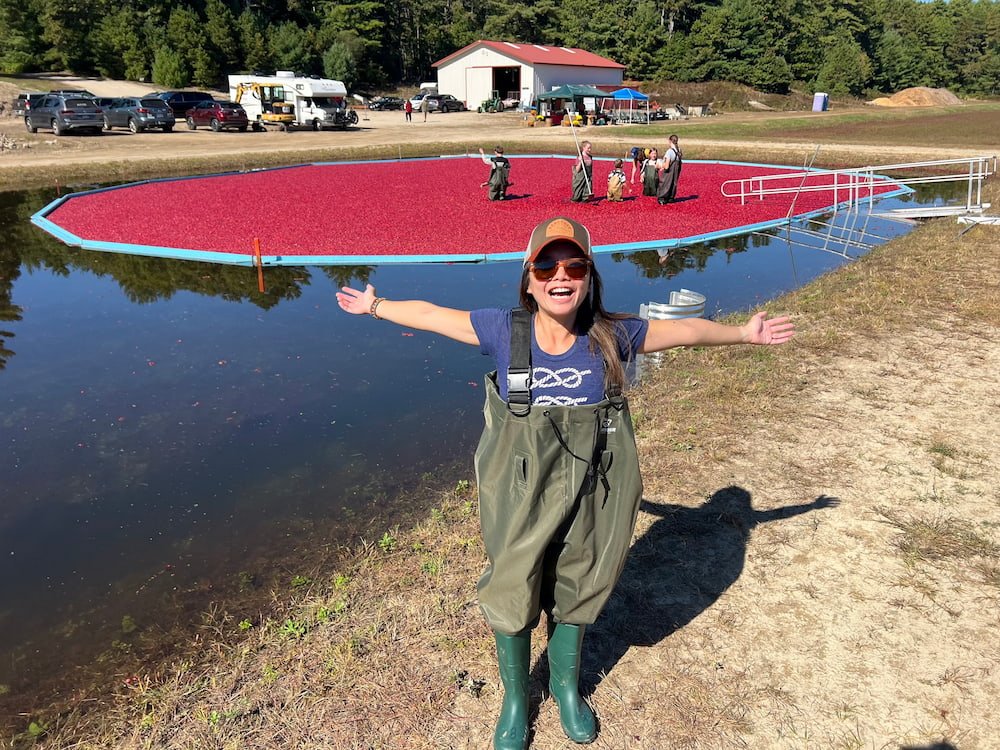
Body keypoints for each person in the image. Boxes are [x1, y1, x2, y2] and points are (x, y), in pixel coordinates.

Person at [335, 216, 795, 750]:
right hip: (517, 481)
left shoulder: (613, 335)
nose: (561, 276)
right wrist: (375, 306)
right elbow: (435, 315)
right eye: (547, 266)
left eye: (574, 266)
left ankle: (565, 686)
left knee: (584, 575)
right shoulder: (503, 330)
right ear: (528, 279)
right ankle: (515, 699)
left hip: (597, 477)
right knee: (513, 581)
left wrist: (743, 332)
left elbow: (688, 332)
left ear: (589, 277)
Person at [657, 134, 682, 205]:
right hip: (676, 170)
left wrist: (660, 165)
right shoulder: (679, 150)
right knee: (673, 183)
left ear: (670, 141)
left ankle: (662, 198)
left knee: (665, 183)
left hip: (669, 172)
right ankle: (671, 197)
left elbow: (667, 166)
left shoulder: (670, 151)